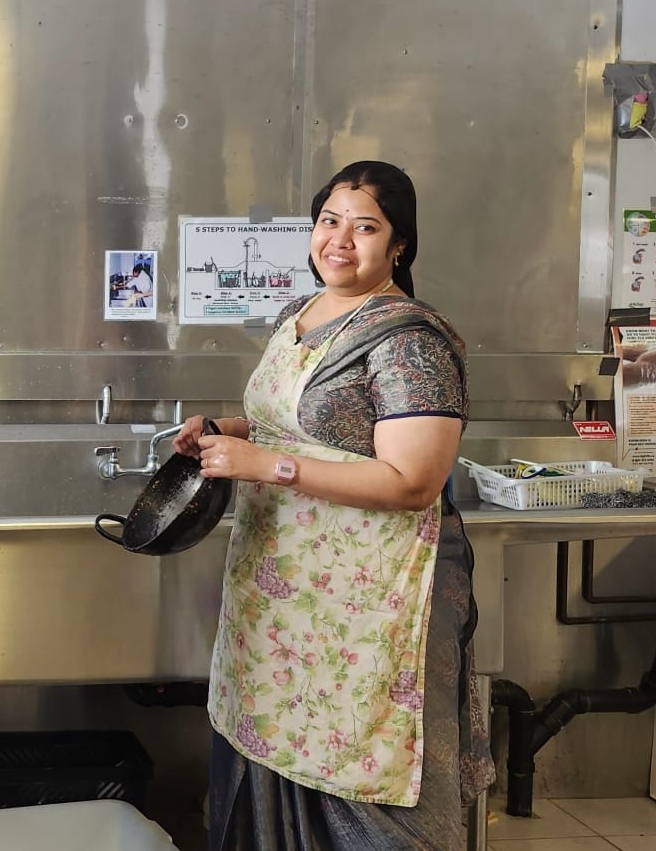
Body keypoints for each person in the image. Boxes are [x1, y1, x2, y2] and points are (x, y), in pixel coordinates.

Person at [172, 161, 494, 850]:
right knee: (275, 738)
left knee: (359, 756)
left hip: (369, 604)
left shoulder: (409, 339)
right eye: (328, 220)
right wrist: (226, 432)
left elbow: (412, 480)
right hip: (282, 595)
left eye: (365, 226)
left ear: (398, 245)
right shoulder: (299, 314)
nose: (340, 240)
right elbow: (292, 425)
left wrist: (266, 465)